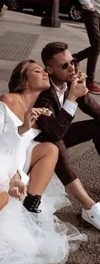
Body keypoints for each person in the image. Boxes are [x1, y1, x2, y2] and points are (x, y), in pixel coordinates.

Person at [0, 60, 86, 264]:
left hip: (11, 159)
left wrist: (19, 175)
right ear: (25, 82)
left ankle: (30, 207)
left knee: (50, 149)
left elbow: (30, 145)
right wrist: (21, 130)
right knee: (0, 198)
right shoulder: (6, 101)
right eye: (37, 71)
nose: (45, 73)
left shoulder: (39, 110)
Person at [34, 42, 100, 230]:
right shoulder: (43, 93)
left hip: (57, 134)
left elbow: (94, 109)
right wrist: (72, 97)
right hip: (36, 142)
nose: (72, 67)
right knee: (55, 142)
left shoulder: (71, 82)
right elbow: (53, 132)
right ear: (50, 69)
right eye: (64, 65)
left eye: (73, 61)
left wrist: (78, 92)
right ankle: (89, 207)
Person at [75, 0, 100, 94]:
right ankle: (90, 81)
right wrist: (89, 6)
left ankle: (75, 58)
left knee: (97, 45)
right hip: (92, 9)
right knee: (97, 43)